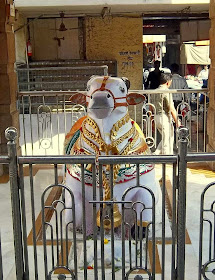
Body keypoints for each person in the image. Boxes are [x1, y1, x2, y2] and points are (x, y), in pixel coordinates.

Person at [151, 73, 181, 155]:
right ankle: (167, 157)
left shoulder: (153, 92)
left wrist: (151, 119)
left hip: (156, 116)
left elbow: (150, 107)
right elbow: (171, 108)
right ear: (168, 82)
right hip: (164, 117)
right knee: (167, 139)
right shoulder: (167, 91)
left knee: (167, 137)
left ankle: (156, 153)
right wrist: (177, 121)